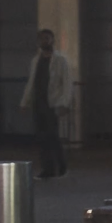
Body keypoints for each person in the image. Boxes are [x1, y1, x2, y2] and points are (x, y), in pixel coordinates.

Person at [21, 28, 73, 179]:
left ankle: (61, 167)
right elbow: (31, 83)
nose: (44, 41)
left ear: (52, 40)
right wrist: (25, 102)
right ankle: (48, 168)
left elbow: (67, 83)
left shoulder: (60, 60)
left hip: (52, 104)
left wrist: (64, 103)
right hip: (39, 103)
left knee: (53, 136)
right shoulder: (35, 61)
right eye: (42, 39)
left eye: (47, 38)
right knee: (42, 138)